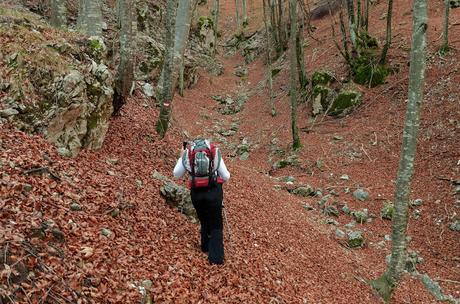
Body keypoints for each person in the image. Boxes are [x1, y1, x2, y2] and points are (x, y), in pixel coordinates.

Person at [173, 139, 230, 265]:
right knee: (216, 224)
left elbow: (176, 174)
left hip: (196, 194)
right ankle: (216, 258)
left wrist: (181, 157)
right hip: (213, 192)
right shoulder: (214, 151)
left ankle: (205, 246)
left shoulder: (188, 153)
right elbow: (226, 176)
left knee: (204, 219)